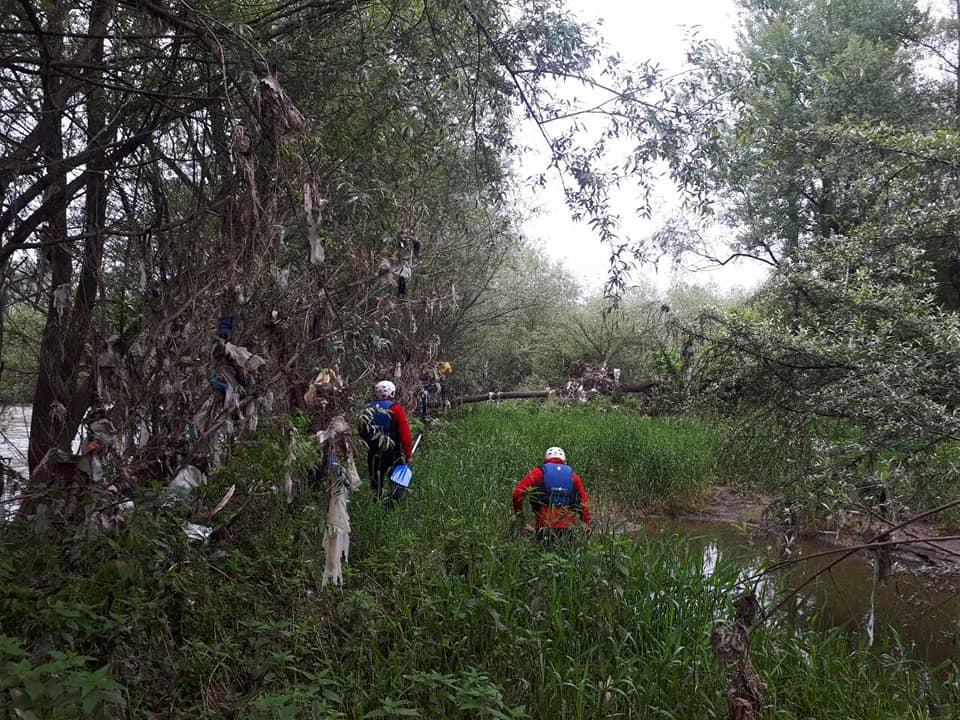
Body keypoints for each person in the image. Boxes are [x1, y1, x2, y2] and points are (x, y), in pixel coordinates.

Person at [512, 446, 591, 540]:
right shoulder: (573, 476)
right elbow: (584, 503)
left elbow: (517, 494)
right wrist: (587, 524)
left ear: (545, 460)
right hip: (567, 528)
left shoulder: (538, 472)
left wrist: (520, 517)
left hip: (543, 526)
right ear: (564, 461)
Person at [358, 380, 414, 507]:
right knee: (397, 482)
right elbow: (405, 434)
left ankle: (376, 505)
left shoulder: (368, 408)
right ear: (392, 392)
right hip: (392, 452)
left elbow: (361, 431)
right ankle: (391, 505)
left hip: (373, 452)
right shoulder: (396, 408)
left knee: (375, 483)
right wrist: (408, 454)